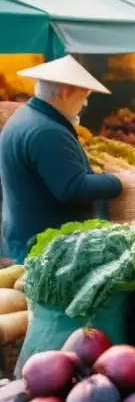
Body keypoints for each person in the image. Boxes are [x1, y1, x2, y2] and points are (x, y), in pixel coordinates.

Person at [0, 56, 123, 262]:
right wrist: (118, 181)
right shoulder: (47, 131)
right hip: (46, 249)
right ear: (66, 92)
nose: (84, 103)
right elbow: (72, 187)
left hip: (30, 240)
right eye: (84, 95)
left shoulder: (28, 117)